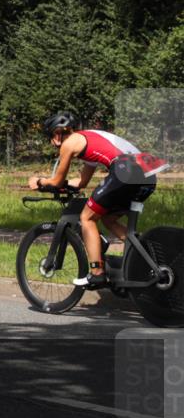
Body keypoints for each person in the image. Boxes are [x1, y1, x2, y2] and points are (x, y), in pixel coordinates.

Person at [29, 111, 169, 287]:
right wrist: (65, 185)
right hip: (147, 174)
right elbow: (81, 182)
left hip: (125, 169)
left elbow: (56, 181)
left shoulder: (69, 143)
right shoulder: (89, 139)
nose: (52, 143)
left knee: (87, 218)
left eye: (50, 137)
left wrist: (40, 182)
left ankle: (97, 273)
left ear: (56, 135)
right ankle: (148, 255)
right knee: (108, 219)